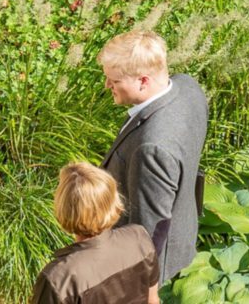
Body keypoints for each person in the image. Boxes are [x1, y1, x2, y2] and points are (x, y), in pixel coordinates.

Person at [97, 30, 207, 287]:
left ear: (143, 81)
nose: (107, 86)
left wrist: (144, 290)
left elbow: (148, 232)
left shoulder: (152, 148)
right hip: (184, 228)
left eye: (113, 80)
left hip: (144, 267)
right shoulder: (188, 87)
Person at [33, 162, 160, 304]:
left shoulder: (59, 279)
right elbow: (152, 300)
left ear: (64, 209)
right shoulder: (139, 238)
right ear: (113, 201)